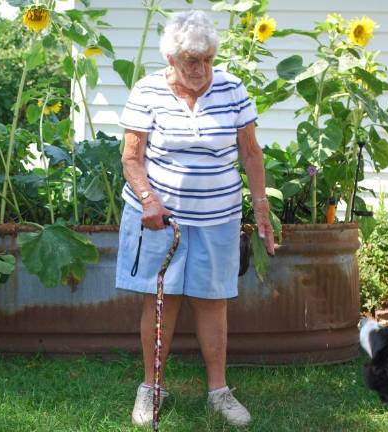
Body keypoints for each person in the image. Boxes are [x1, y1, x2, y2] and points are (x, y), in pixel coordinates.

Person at [115, 10, 275, 427]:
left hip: (217, 217)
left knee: (212, 301)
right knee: (160, 302)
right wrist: (148, 200)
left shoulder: (233, 90)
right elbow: (131, 157)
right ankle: (151, 387)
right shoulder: (147, 91)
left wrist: (261, 206)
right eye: (191, 60)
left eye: (207, 59)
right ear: (171, 59)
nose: (201, 69)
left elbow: (251, 152)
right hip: (159, 220)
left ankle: (218, 392)